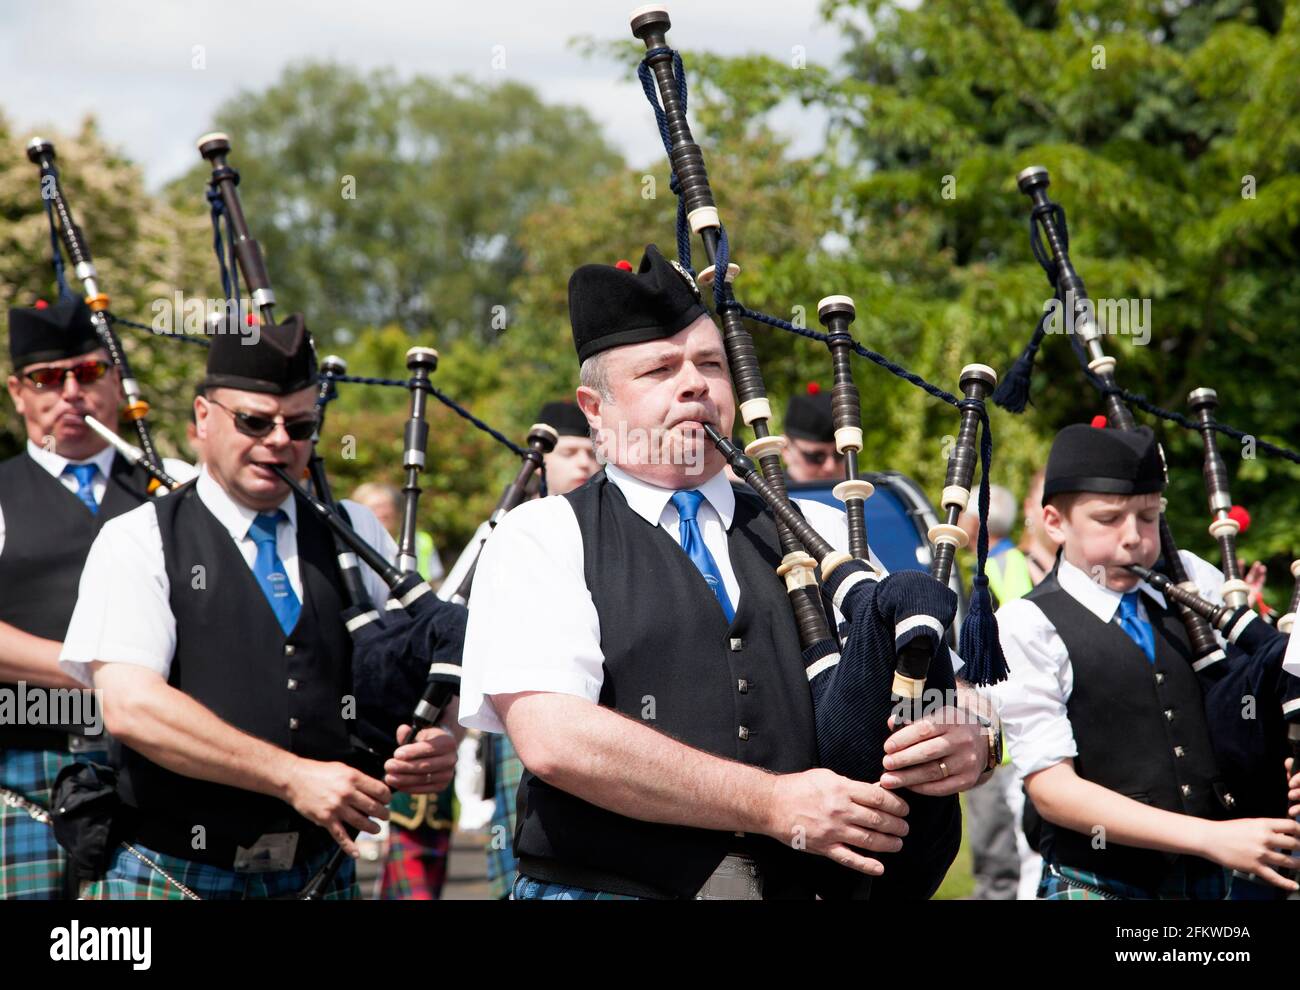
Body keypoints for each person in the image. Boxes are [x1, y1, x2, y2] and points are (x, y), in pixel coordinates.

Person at [459, 244, 995, 900]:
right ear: (594, 410)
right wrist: (771, 803)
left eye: (711, 364)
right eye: (659, 369)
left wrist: (974, 737)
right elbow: (556, 740)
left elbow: (934, 679)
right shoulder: (542, 535)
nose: (694, 384)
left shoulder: (813, 528)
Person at [58, 313, 459, 899]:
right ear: (202, 418)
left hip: (321, 875)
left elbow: (411, 660)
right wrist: (291, 778)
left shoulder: (355, 531)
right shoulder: (139, 539)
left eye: (299, 427)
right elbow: (131, 707)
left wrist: (435, 741)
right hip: (176, 872)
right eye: (254, 421)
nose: (278, 441)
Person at [990, 423, 1300, 899]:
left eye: (1149, 516)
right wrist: (1210, 838)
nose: (1134, 539)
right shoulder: (1027, 624)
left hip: (1215, 886)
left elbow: (1251, 694)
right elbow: (1052, 789)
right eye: (1108, 519)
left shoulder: (1192, 579)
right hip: (1099, 883)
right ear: (1054, 523)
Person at [0, 298, 186, 899]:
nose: (71, 392)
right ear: (17, 393)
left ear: (114, 377)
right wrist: (103, 674)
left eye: (88, 371)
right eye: (48, 379)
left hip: (159, 768)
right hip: (26, 765)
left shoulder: (176, 486)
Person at [483, 400, 597, 899]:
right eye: (570, 451)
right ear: (541, 460)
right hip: (522, 724)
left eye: (593, 452)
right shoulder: (508, 530)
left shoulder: (610, 533)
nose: (584, 463)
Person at [351, 482, 444, 588]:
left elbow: (436, 583)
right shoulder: (350, 545)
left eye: (385, 506)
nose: (381, 512)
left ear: (397, 510)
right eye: (374, 507)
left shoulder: (421, 541)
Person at [781, 388, 842, 483]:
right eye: (816, 457)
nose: (830, 467)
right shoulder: (760, 497)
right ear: (785, 449)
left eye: (840, 454)